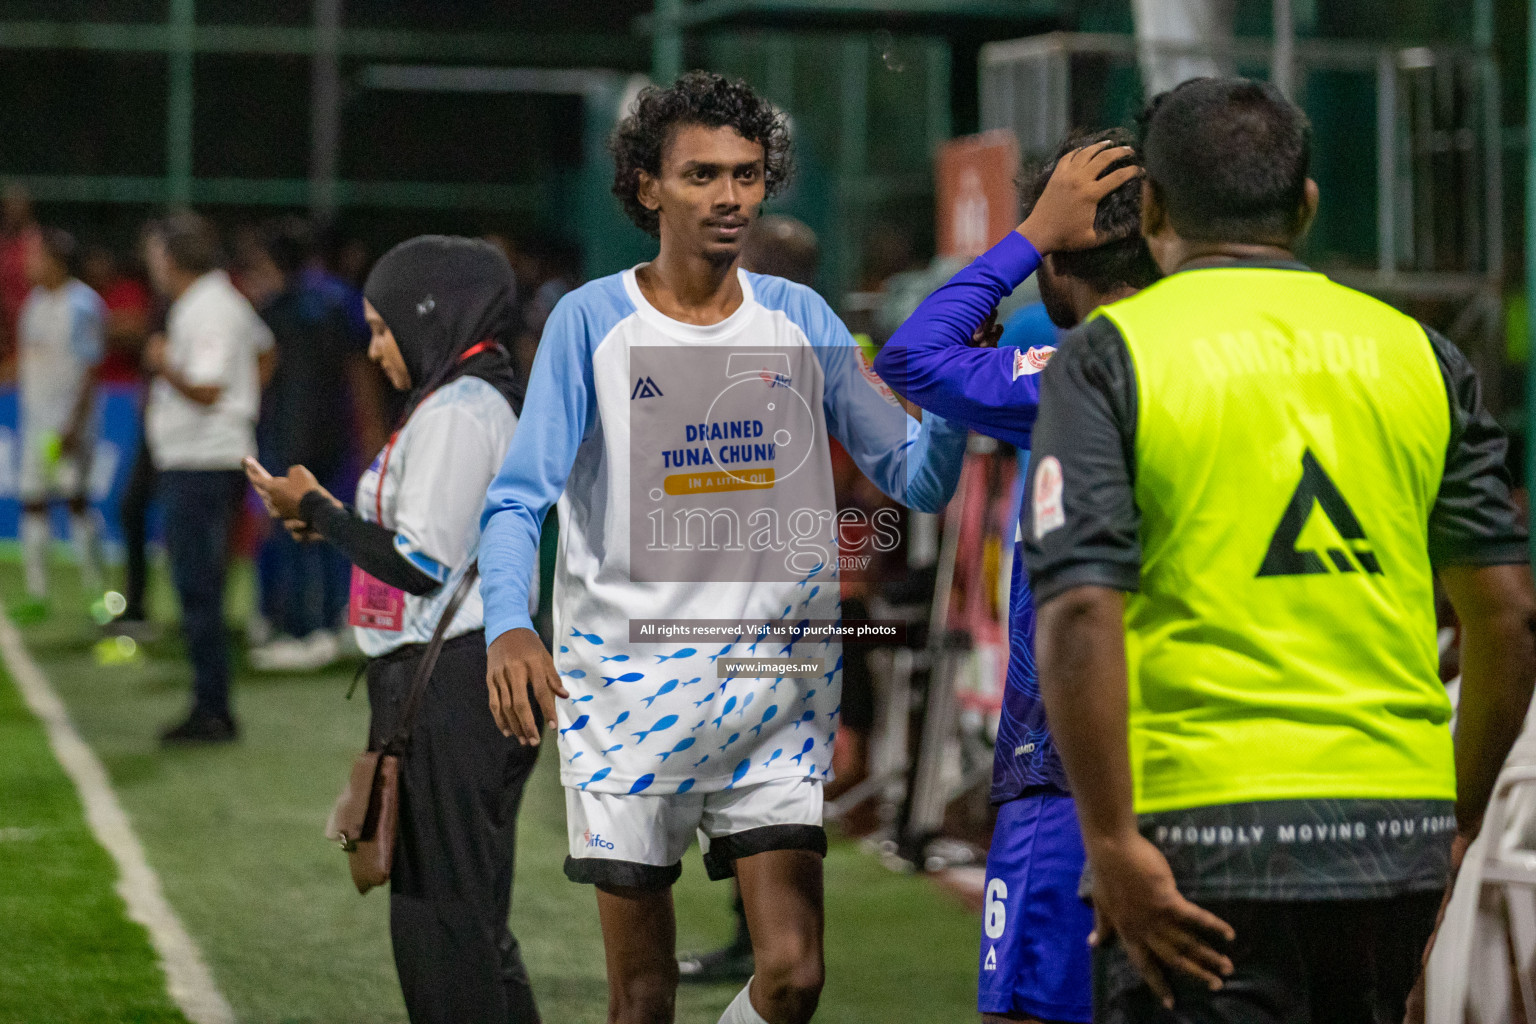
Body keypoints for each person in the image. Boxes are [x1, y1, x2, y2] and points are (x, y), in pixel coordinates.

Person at [1021, 77, 1536, 1023]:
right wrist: (1455, 817)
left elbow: (1081, 610)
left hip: (1199, 831)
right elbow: (1506, 613)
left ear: (1153, 208)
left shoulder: (1109, 353)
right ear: (1305, 204)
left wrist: (1109, 838)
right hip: (1394, 828)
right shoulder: (1421, 353)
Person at [479, 71, 967, 1024]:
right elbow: (516, 498)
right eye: (701, 174)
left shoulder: (804, 321)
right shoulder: (590, 322)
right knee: (644, 997)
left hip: (774, 696)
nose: (729, 197)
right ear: (647, 186)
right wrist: (509, 626)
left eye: (746, 175)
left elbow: (918, 480)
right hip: (625, 698)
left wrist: (949, 395)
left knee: (794, 977)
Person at [875, 131, 1156, 1024]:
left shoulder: (1076, 369)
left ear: (1063, 256)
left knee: (1029, 1012)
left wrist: (1026, 233)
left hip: (1067, 765)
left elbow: (913, 356)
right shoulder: (1227, 359)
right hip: (1210, 759)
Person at [247, 235, 541, 1024]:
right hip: (452, 679)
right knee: (468, 926)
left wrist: (319, 510)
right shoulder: (459, 403)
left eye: (384, 328)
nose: (376, 349)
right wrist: (329, 523)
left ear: (429, 315)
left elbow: (419, 563)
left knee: (442, 928)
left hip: (451, 685)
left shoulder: (457, 411)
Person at [144, 212, 274, 745]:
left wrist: (161, 362)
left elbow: (207, 388)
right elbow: (266, 350)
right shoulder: (220, 300)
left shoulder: (209, 307)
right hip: (204, 458)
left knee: (199, 587)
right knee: (200, 585)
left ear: (172, 257)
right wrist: (247, 403)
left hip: (203, 463)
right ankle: (210, 702)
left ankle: (212, 708)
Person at [245, 218, 357, 671]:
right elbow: (356, 369)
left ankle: (298, 629)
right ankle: (333, 621)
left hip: (289, 435)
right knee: (332, 526)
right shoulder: (336, 303)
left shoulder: (272, 311)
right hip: (333, 433)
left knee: (290, 532)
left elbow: (262, 376)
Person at [14, 227, 108, 618]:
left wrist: (74, 423)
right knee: (33, 502)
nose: (27, 263)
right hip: (35, 425)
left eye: (35, 256)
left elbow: (90, 369)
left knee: (76, 502)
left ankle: (99, 594)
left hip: (68, 426)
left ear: (55, 260)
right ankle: (37, 594)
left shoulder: (83, 304)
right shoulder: (33, 304)